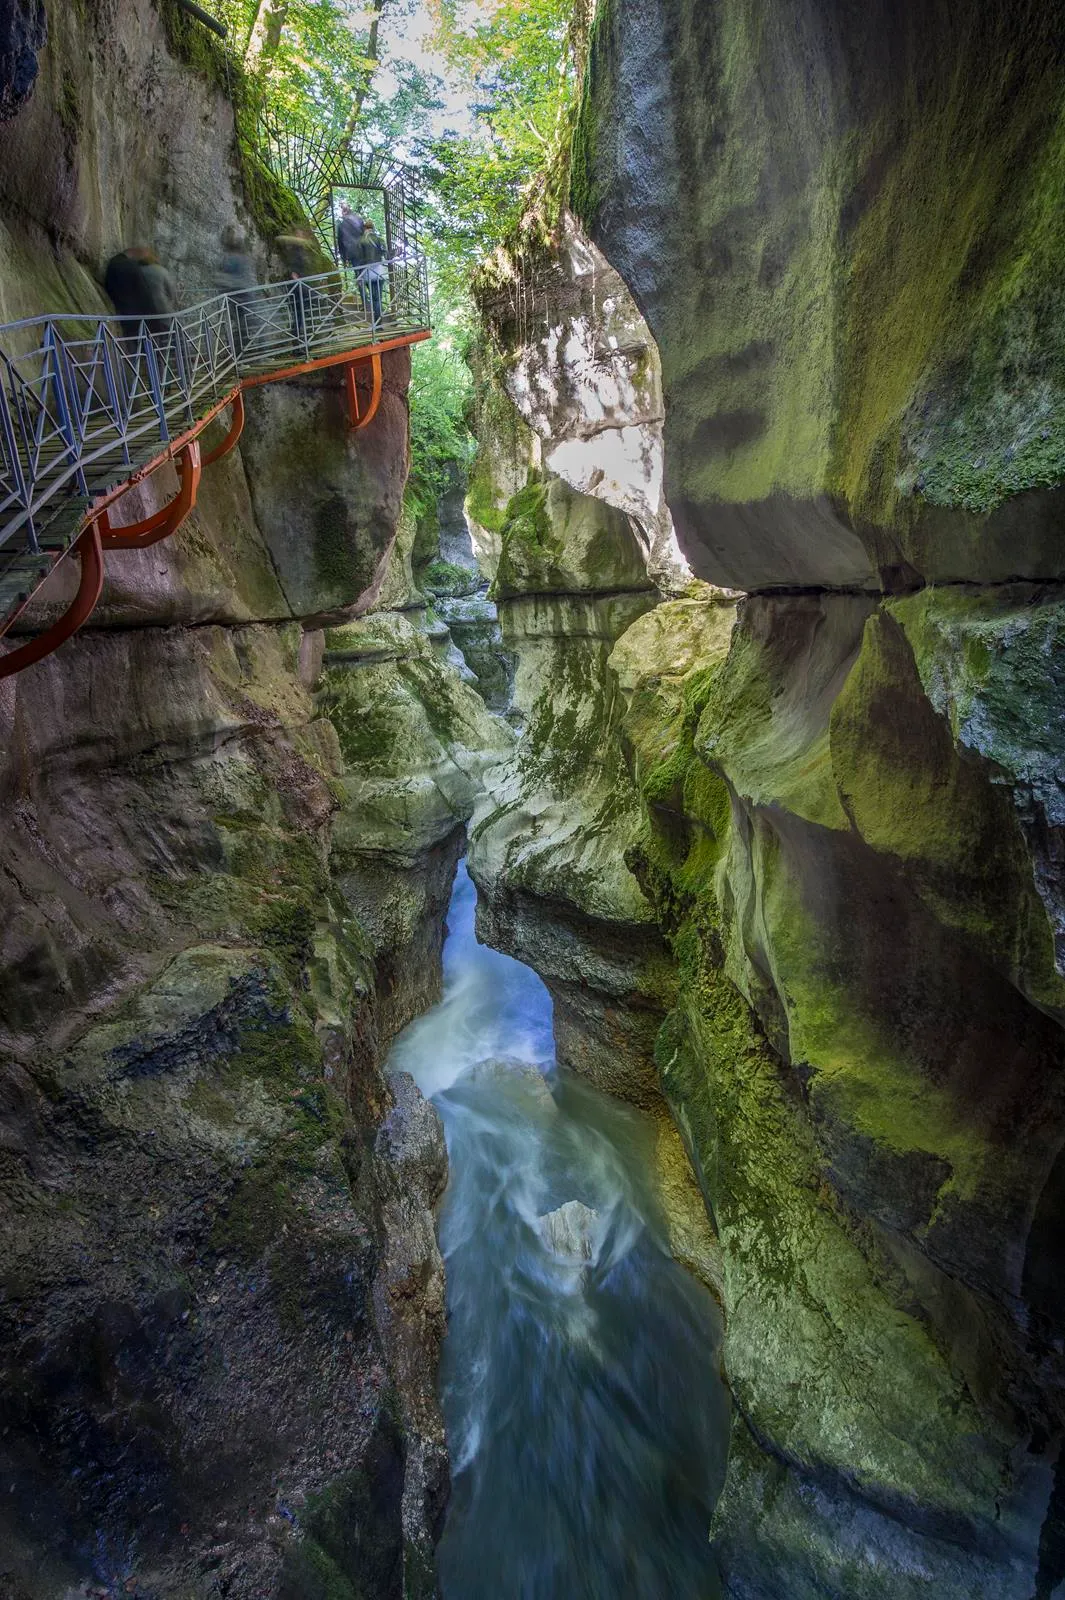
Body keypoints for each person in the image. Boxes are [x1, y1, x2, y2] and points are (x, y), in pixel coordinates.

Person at [103, 245, 176, 338]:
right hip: (162, 310)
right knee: (169, 336)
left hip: (135, 313)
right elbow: (171, 292)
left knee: (144, 339)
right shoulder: (160, 271)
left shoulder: (137, 269)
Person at [214, 224, 256, 355]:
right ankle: (239, 358)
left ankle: (252, 356)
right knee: (244, 327)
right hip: (238, 297)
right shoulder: (230, 258)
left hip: (242, 296)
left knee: (249, 326)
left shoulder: (235, 257)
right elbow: (221, 279)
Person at [275, 227, 317, 347]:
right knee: (299, 316)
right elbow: (294, 271)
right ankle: (299, 346)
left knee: (300, 316)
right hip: (297, 287)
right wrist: (298, 280)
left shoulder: (299, 250)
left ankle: (301, 344)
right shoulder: (296, 251)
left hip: (299, 286)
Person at [352, 219, 387, 326]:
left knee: (373, 298)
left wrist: (358, 276)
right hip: (379, 271)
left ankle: (376, 324)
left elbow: (357, 260)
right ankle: (378, 324)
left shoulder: (360, 241)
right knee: (378, 299)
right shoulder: (380, 240)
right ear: (373, 228)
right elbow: (387, 256)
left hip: (366, 272)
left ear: (364, 228)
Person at [336, 203, 365, 269]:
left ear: (343, 212)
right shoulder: (359, 220)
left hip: (352, 252)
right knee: (366, 271)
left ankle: (360, 278)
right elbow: (364, 233)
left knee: (359, 272)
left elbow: (340, 242)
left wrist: (343, 257)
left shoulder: (341, 225)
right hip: (362, 249)